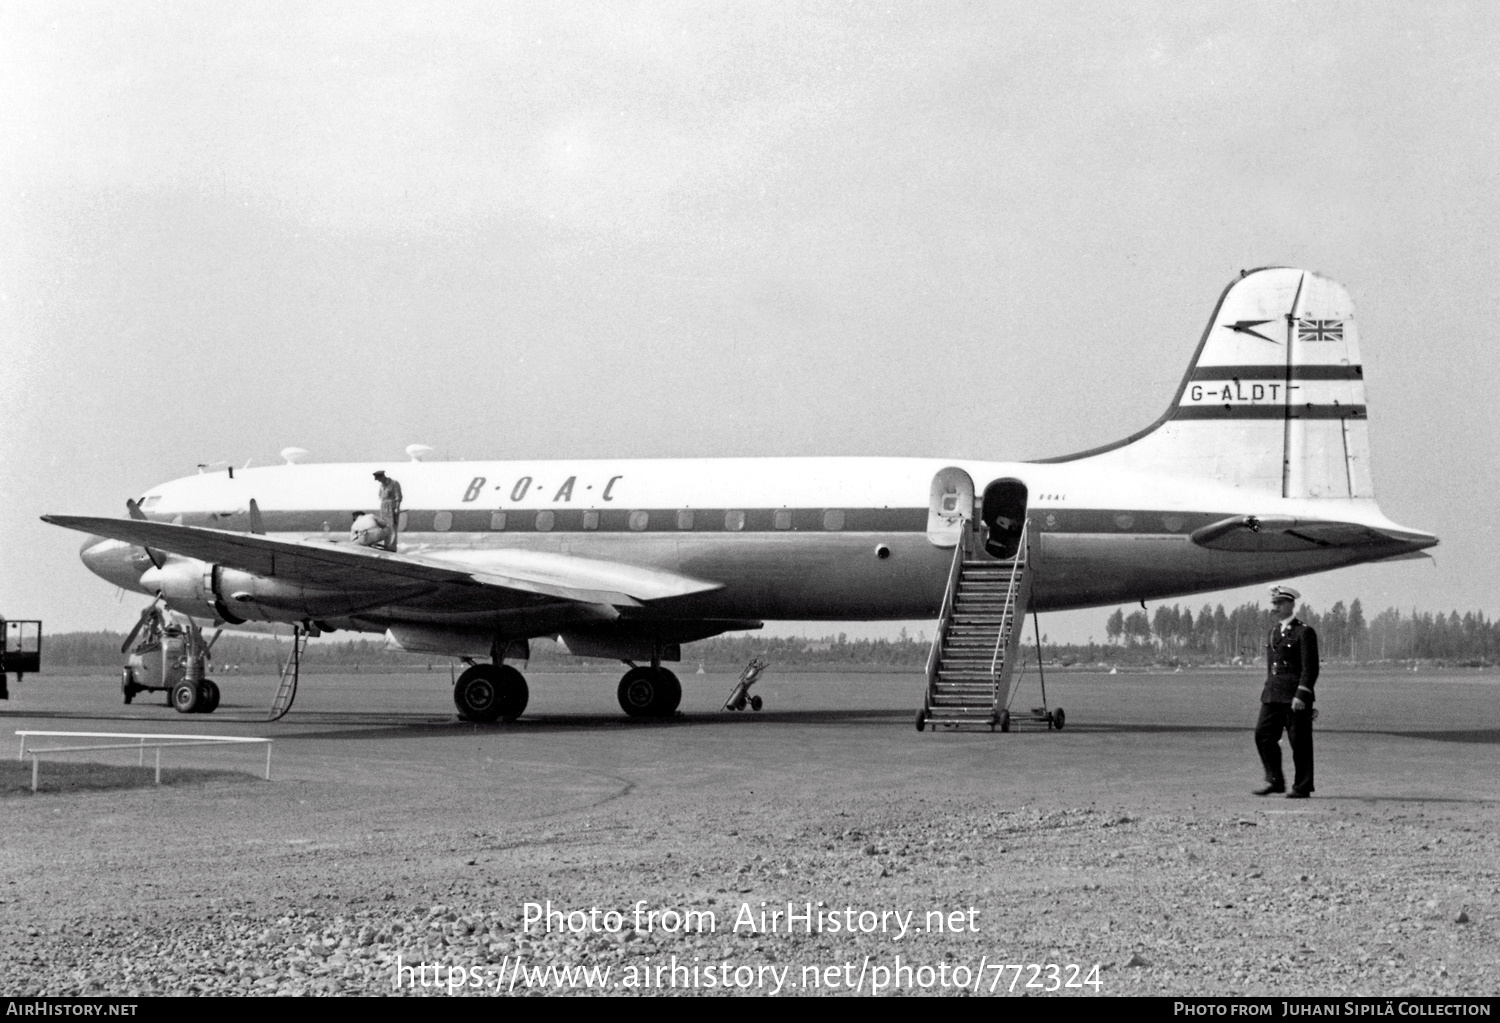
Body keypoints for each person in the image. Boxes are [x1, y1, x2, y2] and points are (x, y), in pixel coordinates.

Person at [1253, 585, 1319, 798]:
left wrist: (1302, 694)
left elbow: (1310, 668)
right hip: (1273, 695)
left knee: (1299, 743)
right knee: (1262, 735)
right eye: (1274, 603)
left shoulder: (1304, 631)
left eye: (1279, 603)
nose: (1275, 607)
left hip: (1294, 697)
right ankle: (1275, 780)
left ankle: (1302, 787)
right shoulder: (1273, 632)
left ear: (1291, 604)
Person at [373, 471, 402, 551]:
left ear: (382, 476)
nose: (378, 481)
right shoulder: (382, 485)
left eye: (379, 479)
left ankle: (391, 547)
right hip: (383, 506)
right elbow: (380, 496)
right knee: (384, 526)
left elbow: (398, 496)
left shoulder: (394, 483)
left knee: (392, 527)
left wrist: (397, 507)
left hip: (391, 506)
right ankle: (386, 545)